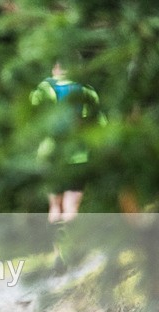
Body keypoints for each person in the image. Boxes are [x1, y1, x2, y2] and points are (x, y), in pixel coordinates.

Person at [30, 61, 105, 224]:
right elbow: (101, 123)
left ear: (53, 68)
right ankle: (69, 244)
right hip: (79, 152)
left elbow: (31, 118)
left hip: (51, 153)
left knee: (55, 208)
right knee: (72, 207)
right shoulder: (87, 90)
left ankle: (56, 248)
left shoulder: (43, 89)